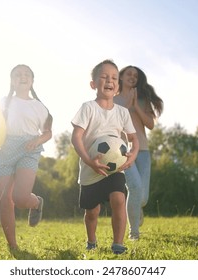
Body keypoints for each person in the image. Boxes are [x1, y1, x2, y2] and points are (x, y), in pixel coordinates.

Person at [71, 59, 139, 254]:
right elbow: (76, 137)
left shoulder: (123, 112)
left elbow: (134, 139)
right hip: (90, 169)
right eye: (104, 77)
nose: (109, 80)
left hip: (114, 169)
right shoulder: (87, 108)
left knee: (119, 198)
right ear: (93, 84)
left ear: (117, 86)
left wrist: (132, 156)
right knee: (92, 212)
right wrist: (88, 161)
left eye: (114, 78)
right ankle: (91, 241)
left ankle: (118, 244)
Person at [0, 64, 53, 250]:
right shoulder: (3, 102)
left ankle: (36, 203)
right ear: (12, 81)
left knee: (19, 198)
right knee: (4, 201)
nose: (22, 76)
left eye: (26, 74)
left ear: (32, 81)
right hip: (6, 149)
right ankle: (13, 246)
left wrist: (38, 141)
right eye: (18, 74)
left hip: (30, 147)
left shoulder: (39, 106)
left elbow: (48, 132)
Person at [113, 65, 163, 240]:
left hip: (142, 150)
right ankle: (134, 233)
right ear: (121, 76)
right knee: (135, 188)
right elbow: (114, 123)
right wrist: (127, 105)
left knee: (143, 198)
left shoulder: (142, 99)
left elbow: (150, 124)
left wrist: (136, 105)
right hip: (122, 151)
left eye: (135, 75)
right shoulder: (113, 99)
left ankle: (137, 207)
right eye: (129, 74)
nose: (132, 77)